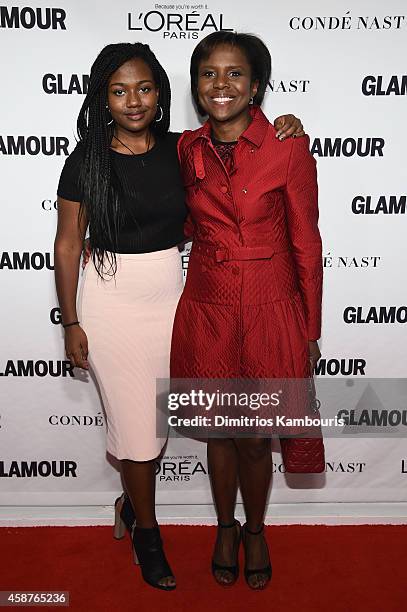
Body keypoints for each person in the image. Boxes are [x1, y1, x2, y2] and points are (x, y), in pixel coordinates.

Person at [54, 41, 305, 591]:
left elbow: (239, 148)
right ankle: (148, 534)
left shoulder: (184, 148)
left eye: (144, 87)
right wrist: (71, 322)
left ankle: (135, 507)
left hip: (178, 298)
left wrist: (286, 123)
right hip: (111, 301)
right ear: (102, 98)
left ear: (163, 94)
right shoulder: (85, 162)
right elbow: (69, 245)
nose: (133, 100)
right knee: (141, 434)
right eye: (118, 90)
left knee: (189, 424)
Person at [170, 32, 323, 590]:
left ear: (256, 84)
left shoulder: (288, 147)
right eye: (209, 73)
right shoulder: (186, 148)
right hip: (207, 303)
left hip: (268, 303)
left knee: (256, 435)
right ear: (196, 86)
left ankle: (255, 529)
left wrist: (310, 327)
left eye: (235, 73)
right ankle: (224, 526)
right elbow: (168, 208)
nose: (221, 85)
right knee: (217, 430)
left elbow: (307, 243)